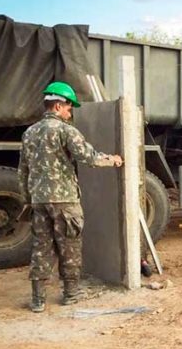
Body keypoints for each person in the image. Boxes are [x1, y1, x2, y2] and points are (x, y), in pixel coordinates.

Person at [18, 81, 123, 313]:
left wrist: (28, 199)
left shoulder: (29, 133)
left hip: (39, 201)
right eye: (68, 108)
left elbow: (22, 171)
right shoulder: (65, 131)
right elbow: (88, 157)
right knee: (70, 246)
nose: (70, 112)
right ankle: (71, 293)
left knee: (41, 247)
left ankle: (37, 299)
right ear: (57, 106)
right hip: (64, 201)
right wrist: (112, 160)